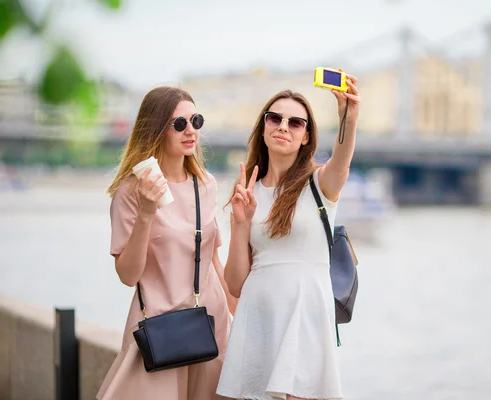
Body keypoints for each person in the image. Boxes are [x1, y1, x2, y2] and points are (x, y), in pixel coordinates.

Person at [216, 73, 361, 400]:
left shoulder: (320, 183)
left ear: (306, 136)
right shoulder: (247, 191)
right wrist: (241, 224)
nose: (283, 126)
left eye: (296, 123)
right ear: (264, 126)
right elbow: (236, 284)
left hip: (305, 311)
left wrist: (347, 120)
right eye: (275, 118)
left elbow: (342, 162)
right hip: (259, 315)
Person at [97, 86, 237, 400]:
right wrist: (147, 212)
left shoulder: (206, 184)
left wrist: (238, 313)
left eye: (196, 121)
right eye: (179, 124)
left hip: (210, 324)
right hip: (158, 328)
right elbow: (127, 275)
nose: (191, 131)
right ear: (156, 129)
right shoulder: (130, 193)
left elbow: (213, 261)